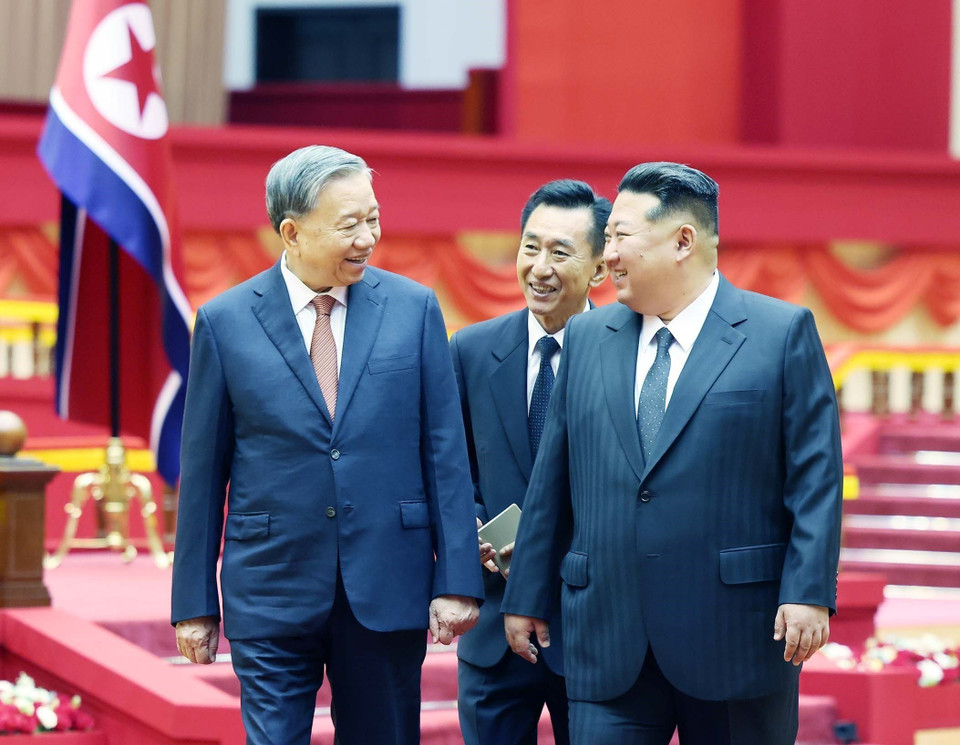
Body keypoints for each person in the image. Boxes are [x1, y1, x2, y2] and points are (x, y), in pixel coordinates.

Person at [502, 162, 843, 745]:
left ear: (683, 240)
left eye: (620, 237)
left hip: (737, 638)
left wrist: (809, 591)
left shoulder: (778, 332)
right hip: (607, 638)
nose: (606, 255)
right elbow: (552, 480)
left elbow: (815, 477)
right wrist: (527, 590)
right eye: (606, 239)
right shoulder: (587, 338)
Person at [171, 145, 482, 745]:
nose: (368, 236)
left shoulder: (413, 310)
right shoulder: (224, 321)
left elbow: (445, 454)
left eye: (373, 217)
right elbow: (203, 472)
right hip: (271, 584)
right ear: (291, 231)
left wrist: (457, 580)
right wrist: (194, 601)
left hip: (388, 582)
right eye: (349, 225)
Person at [450, 180, 610, 745]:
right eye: (530, 247)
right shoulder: (469, 351)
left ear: (599, 269)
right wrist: (469, 529)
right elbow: (451, 469)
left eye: (561, 253)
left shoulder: (628, 357)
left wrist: (553, 545)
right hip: (493, 627)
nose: (540, 267)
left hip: (592, 628)